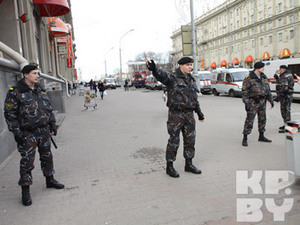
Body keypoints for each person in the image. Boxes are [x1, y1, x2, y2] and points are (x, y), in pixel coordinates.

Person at [4, 64, 64, 206]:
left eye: (38, 73)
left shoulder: (40, 90)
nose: (37, 76)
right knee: (27, 162)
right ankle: (25, 190)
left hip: (43, 131)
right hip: (27, 133)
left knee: (47, 156)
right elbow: (10, 115)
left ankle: (50, 179)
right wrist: (17, 132)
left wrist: (52, 124)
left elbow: (48, 109)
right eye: (34, 73)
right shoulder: (15, 92)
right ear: (25, 74)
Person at [146, 57, 204, 178]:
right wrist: (154, 69)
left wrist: (199, 113)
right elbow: (162, 76)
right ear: (181, 65)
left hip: (189, 115)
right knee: (174, 141)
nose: (190, 67)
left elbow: (194, 98)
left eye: (191, 65)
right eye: (188, 65)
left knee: (190, 140)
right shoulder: (173, 78)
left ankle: (189, 164)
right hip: (176, 115)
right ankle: (169, 166)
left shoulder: (190, 80)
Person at [242, 62, 274, 146]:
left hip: (263, 102)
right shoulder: (248, 78)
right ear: (257, 68)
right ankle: (245, 137)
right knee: (250, 120)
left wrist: (271, 100)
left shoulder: (264, 77)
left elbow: (268, 89)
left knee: (262, 119)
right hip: (253, 102)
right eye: (262, 67)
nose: (263, 68)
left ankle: (261, 136)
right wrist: (247, 103)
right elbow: (244, 92)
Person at [273, 65, 294, 133]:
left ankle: (288, 128)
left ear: (283, 69)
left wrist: (279, 96)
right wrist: (277, 79)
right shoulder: (286, 75)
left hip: (286, 96)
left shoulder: (285, 76)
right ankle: (286, 124)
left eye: (280, 69)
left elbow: (284, 87)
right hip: (286, 95)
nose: (279, 70)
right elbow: (281, 83)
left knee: (286, 111)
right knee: (284, 111)